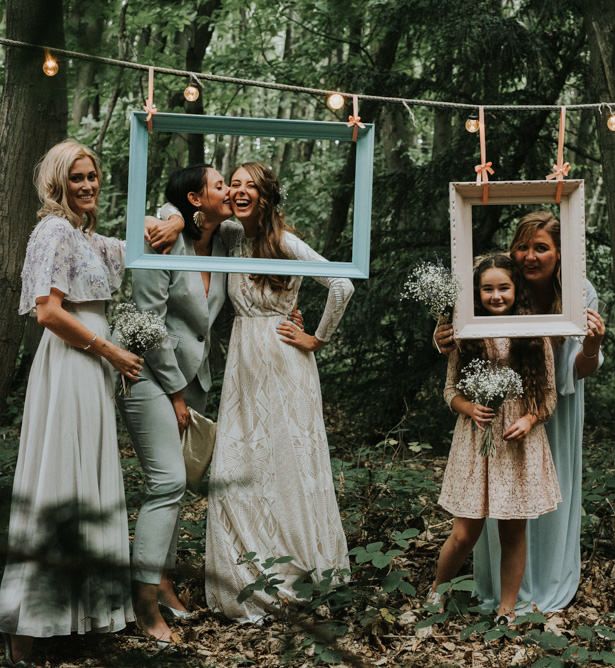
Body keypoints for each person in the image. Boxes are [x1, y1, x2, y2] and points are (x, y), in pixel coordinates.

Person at [0, 140, 141, 664]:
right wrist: (110, 350)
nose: (87, 185)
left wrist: (174, 220)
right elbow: (48, 313)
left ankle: (76, 617)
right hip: (71, 367)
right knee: (59, 476)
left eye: (93, 176)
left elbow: (144, 243)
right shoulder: (55, 231)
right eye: (77, 178)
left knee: (87, 481)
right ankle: (26, 629)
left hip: (92, 371)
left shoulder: (88, 238)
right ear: (57, 183)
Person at [204, 162, 354, 622]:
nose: (241, 191)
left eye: (252, 186)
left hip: (286, 361)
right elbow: (190, 216)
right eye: (236, 184)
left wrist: (318, 338)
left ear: (267, 197)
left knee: (288, 460)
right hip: (243, 365)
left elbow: (341, 284)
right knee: (240, 458)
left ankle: (299, 571)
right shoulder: (230, 236)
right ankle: (246, 573)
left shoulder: (286, 243)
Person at [435, 210, 605, 612]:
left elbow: (570, 374)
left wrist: (593, 346)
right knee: (482, 517)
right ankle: (489, 588)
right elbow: (459, 357)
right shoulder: (501, 284)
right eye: (523, 246)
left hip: (550, 407)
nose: (530, 255)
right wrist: (443, 333)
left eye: (542, 248)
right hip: (489, 423)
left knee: (540, 504)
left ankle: (539, 588)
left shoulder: (577, 292)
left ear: (561, 253)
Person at [115, 164, 235, 643]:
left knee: (179, 485)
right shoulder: (159, 236)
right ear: (194, 196)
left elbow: (259, 217)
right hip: (149, 376)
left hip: (195, 377)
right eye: (220, 185)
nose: (229, 191)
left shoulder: (221, 238)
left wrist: (188, 219)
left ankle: (163, 581)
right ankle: (144, 604)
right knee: (165, 482)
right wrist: (175, 393)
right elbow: (149, 322)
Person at [429, 254, 561, 621]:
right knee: (464, 533)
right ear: (477, 293)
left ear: (515, 289)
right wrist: (469, 408)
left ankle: (507, 608)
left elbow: (549, 396)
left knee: (513, 532)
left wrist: (530, 420)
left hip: (517, 441)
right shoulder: (466, 331)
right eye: (488, 288)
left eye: (503, 287)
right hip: (478, 438)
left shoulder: (534, 332)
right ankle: (436, 593)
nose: (496, 295)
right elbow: (450, 390)